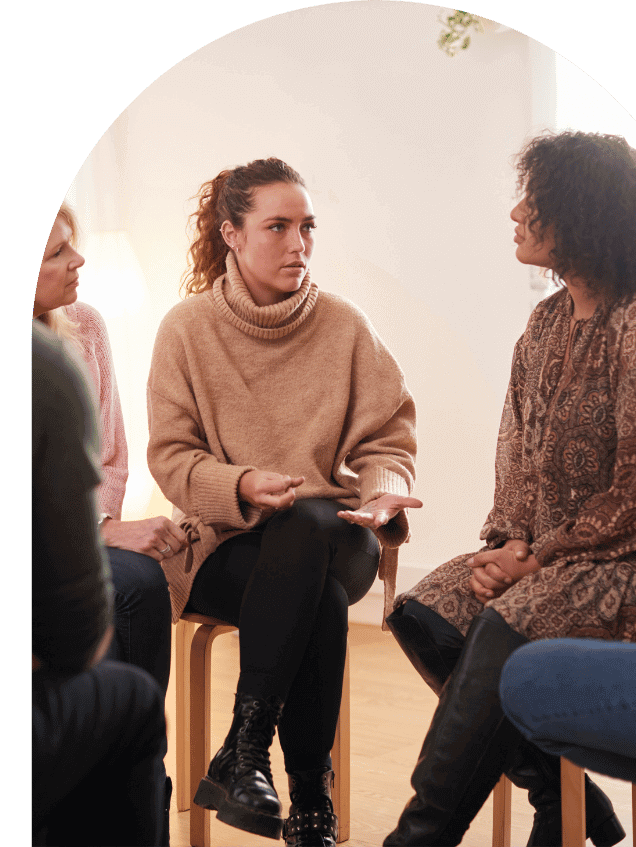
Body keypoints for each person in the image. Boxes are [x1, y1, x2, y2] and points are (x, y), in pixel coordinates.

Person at [383, 131, 636, 847]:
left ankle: (418, 836)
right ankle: (566, 804)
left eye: (531, 199)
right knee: (425, 614)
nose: (515, 213)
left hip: (634, 564)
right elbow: (518, 455)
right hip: (547, 557)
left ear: (580, 210)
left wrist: (536, 561)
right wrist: (508, 542)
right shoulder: (545, 321)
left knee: (509, 622)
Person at [146, 157, 421, 846]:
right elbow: (172, 457)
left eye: (307, 227)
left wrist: (384, 493)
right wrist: (240, 485)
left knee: (306, 526)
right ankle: (310, 804)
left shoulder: (344, 325)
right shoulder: (186, 329)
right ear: (232, 234)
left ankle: (243, 751)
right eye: (278, 227)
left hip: (340, 530)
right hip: (229, 545)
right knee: (317, 597)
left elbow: (388, 439)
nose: (299, 244)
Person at [500, 359, 636, 817]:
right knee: (423, 612)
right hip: (539, 551)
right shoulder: (540, 335)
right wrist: (511, 540)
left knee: (527, 677)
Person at [34, 203, 181, 840]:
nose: (79, 260)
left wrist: (100, 523)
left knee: (141, 583)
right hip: (60, 552)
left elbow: (113, 458)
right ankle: (120, 781)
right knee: (116, 655)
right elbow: (74, 631)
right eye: (57, 253)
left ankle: (121, 777)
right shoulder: (47, 369)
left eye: (74, 244)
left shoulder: (86, 327)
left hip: (82, 527)